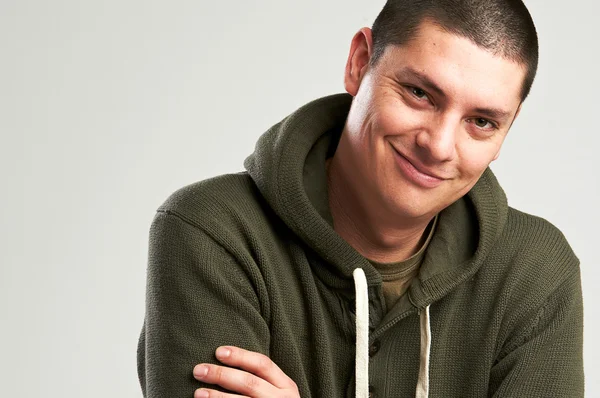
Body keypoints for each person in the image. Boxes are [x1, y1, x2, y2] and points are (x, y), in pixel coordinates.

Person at [137, 0, 584, 396]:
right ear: (360, 62)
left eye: (482, 121)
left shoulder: (536, 273)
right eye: (420, 93)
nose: (441, 146)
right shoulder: (214, 233)